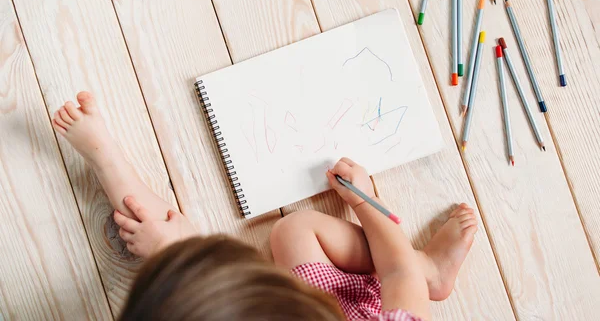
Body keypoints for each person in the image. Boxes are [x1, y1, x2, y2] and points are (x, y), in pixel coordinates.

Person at [52, 92, 478, 321]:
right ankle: (431, 272)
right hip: (374, 294)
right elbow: (397, 272)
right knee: (306, 236)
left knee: (285, 235)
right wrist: (367, 202)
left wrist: (170, 254)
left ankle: (109, 160)